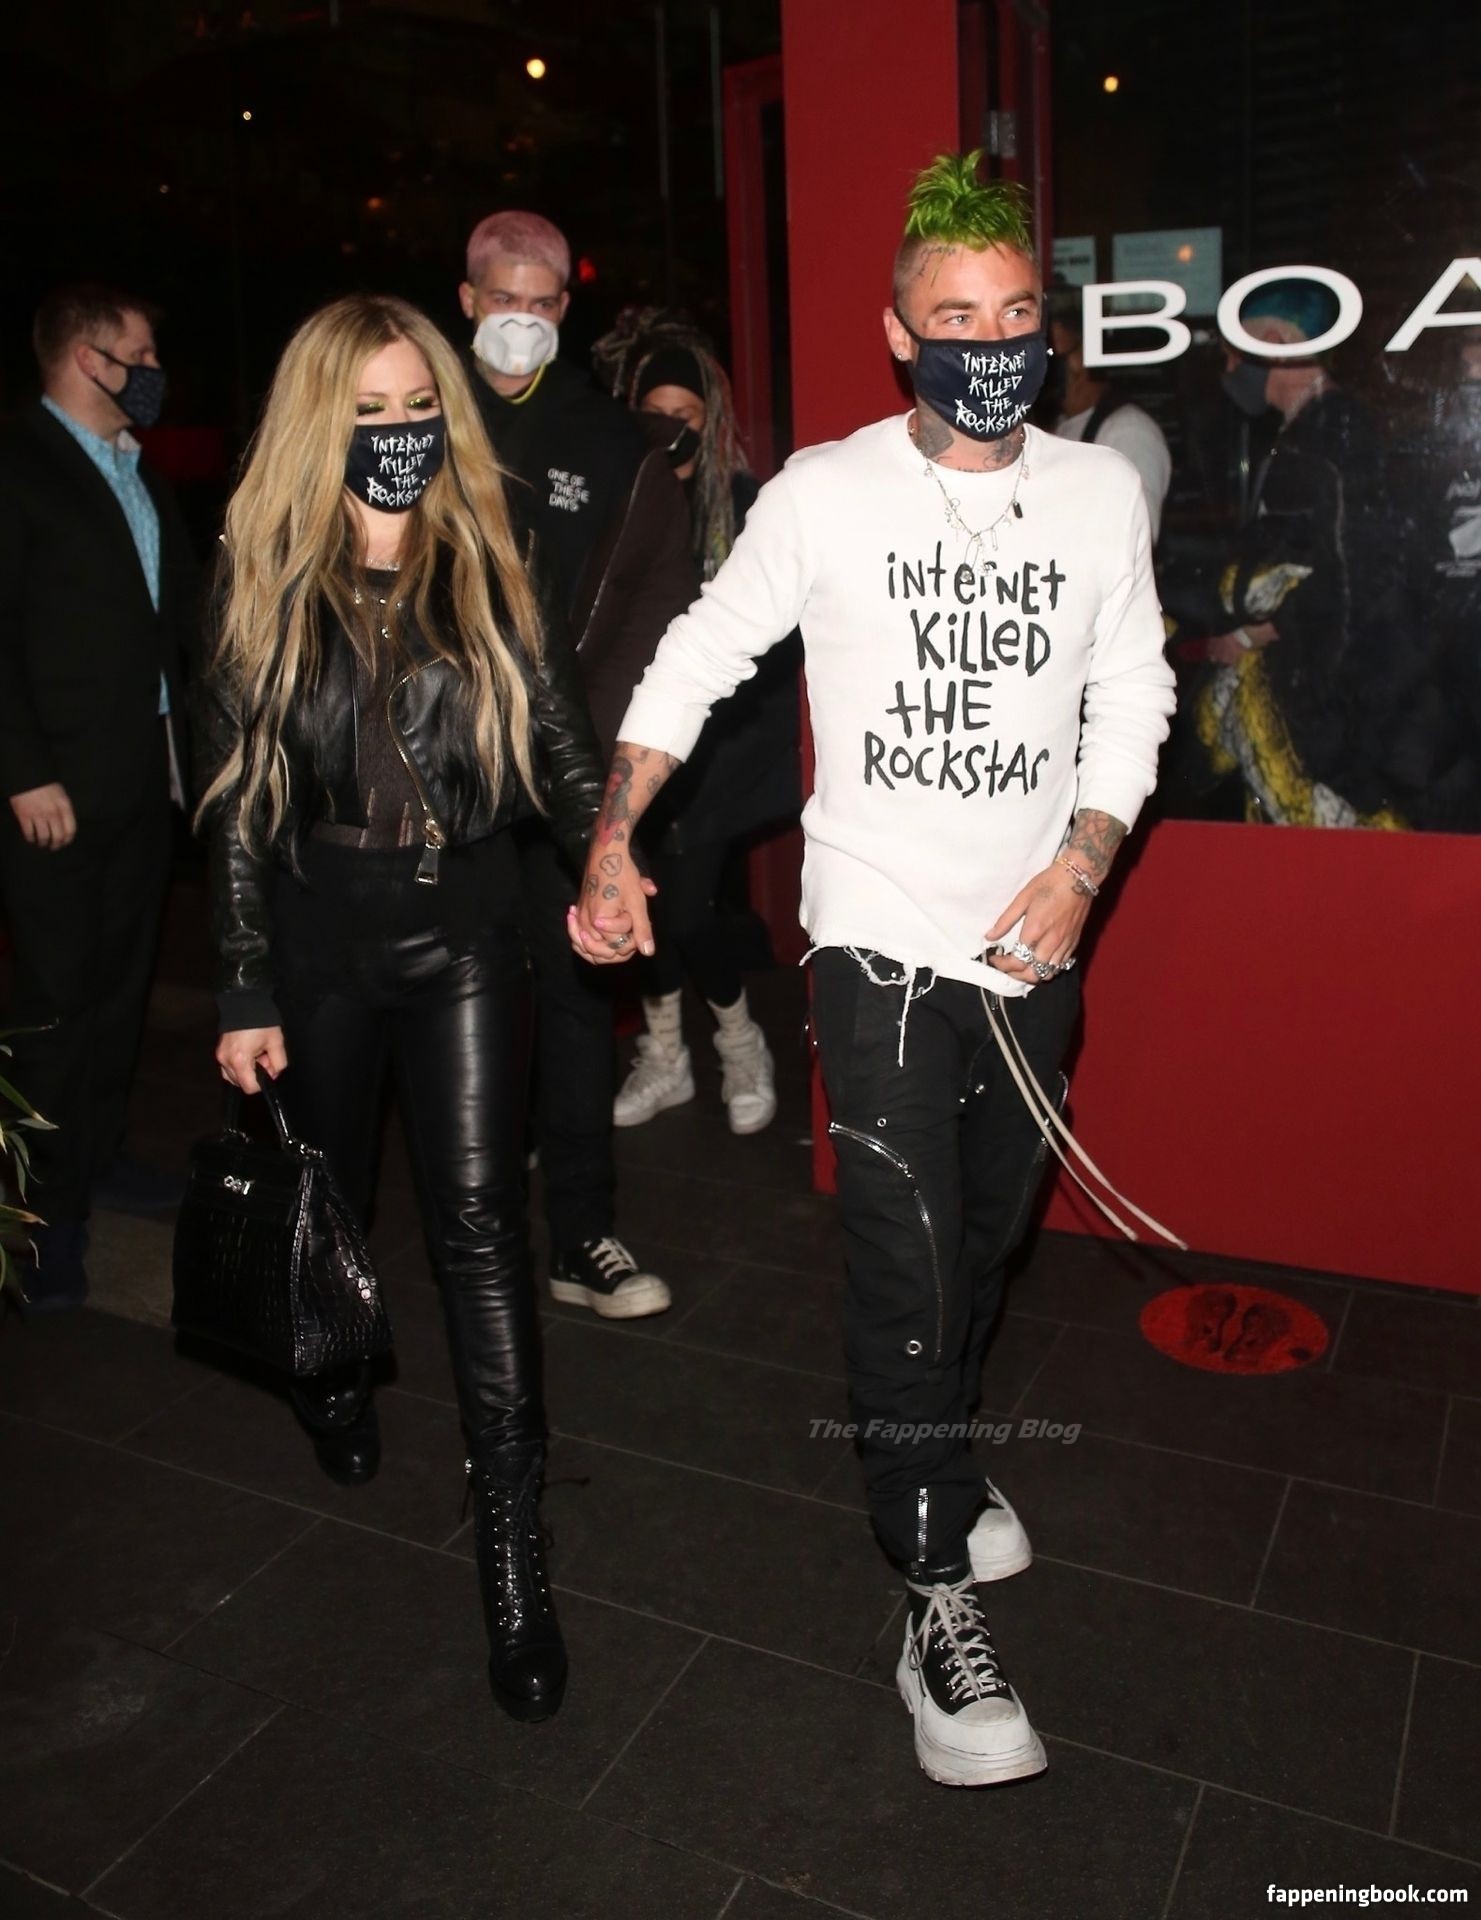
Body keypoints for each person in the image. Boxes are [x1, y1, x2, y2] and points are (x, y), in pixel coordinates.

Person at [569, 153, 1176, 1789]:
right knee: (906, 1266)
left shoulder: (1095, 494)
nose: (990, 344)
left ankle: (944, 1458)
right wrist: (614, 832)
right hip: (880, 948)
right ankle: (927, 1592)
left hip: (1032, 948)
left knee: (986, 1240)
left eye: (1016, 314)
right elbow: (697, 655)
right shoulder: (824, 494)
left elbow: (1134, 688)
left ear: (1046, 329)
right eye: (953, 317)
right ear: (899, 333)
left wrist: (1082, 863)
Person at [200, 294, 604, 1723]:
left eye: (417, 406)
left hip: (465, 930)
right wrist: (242, 978)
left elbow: (558, 738)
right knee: (331, 1195)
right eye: (369, 411)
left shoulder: (486, 550)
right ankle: (329, 1378)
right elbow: (237, 802)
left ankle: (511, 1546)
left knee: (481, 1232)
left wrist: (606, 858)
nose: (399, 432)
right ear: (323, 423)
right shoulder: (262, 568)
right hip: (319, 934)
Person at [458, 212, 696, 1318]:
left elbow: (654, 606)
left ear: (565, 309)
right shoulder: (414, 417)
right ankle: (475, 1228)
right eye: (502, 298)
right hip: (434, 788)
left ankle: (583, 1234)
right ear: (468, 300)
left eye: (541, 302)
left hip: (561, 780)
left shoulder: (609, 444)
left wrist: (595, 777)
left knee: (572, 1004)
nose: (521, 320)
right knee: (457, 1008)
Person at [0, 284, 198, 1310]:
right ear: (88, 358)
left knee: (120, 988)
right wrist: (22, 769)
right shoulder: (17, 463)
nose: (155, 371)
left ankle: (100, 1157)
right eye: (141, 353)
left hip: (137, 776)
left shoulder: (132, 466)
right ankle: (39, 1222)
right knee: (54, 1008)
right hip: (54, 792)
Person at [590, 309, 802, 1135]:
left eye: (686, 415)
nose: (671, 430)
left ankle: (741, 1045)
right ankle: (666, 1053)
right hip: (628, 742)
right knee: (636, 905)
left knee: (685, 913)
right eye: (656, 414)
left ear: (708, 420)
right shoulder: (623, 499)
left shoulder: (742, 505)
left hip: (716, 754)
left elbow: (773, 649)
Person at [1198, 282, 1404, 826]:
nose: (1228, 369)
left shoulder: (1329, 437)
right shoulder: (1314, 430)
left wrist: (1250, 634)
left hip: (1331, 710)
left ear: (1272, 343)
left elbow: (1350, 575)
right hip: (1326, 702)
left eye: (1233, 353)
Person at [1046, 287, 1172, 542]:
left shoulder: (1128, 431)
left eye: (1052, 356)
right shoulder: (1056, 427)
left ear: (1083, 355)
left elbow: (1136, 537)